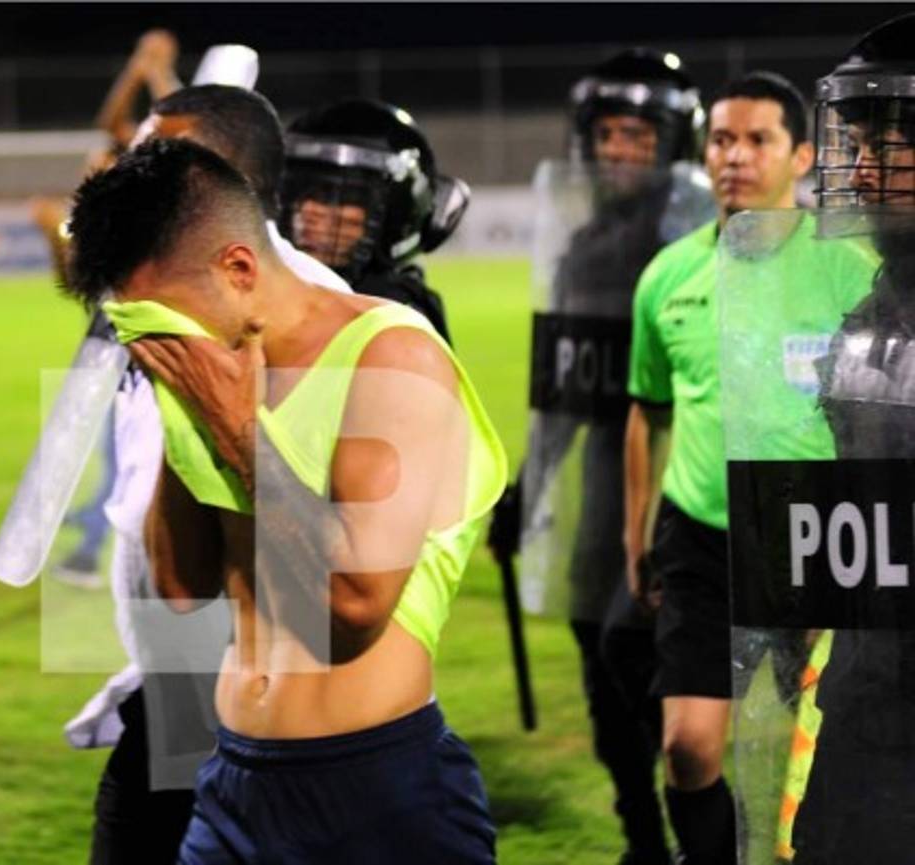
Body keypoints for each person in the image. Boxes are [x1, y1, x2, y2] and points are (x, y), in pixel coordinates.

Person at [68, 136, 505, 864]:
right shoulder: (212, 377)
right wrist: (191, 418)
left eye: (161, 320)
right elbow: (180, 589)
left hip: (378, 791)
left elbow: (355, 606)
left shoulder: (393, 356)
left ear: (237, 268)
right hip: (234, 781)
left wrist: (240, 429)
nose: (156, 345)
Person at [60, 85, 352, 865]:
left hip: (264, 692)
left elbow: (350, 575)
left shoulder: (332, 324)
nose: (138, 169)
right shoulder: (154, 297)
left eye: (163, 155)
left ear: (234, 185)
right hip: (172, 668)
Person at [623, 71, 881, 864]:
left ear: (802, 154)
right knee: (690, 749)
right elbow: (648, 408)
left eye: (757, 139)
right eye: (721, 139)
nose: (734, 156)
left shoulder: (848, 265)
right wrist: (635, 534)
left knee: (825, 748)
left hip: (816, 531)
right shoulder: (667, 275)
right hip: (700, 534)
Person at [499, 48, 708, 865]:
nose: (620, 149)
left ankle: (697, 821)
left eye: (639, 134)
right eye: (609, 134)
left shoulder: (699, 240)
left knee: (653, 663)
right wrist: (530, 485)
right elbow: (563, 394)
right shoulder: (582, 245)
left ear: (672, 142)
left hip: (684, 482)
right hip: (601, 488)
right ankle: (642, 840)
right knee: (601, 668)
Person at [784, 13, 915, 862]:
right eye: (857, 144)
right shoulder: (868, 318)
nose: (861, 171)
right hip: (868, 708)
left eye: (888, 144)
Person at [30, 31, 183, 588]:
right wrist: (136, 69)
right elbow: (74, 281)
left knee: (126, 452)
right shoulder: (111, 210)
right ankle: (100, 542)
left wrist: (154, 72)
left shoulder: (166, 183)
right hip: (114, 340)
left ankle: (97, 548)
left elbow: (182, 122)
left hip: (150, 341)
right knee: (116, 448)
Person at [277, 98, 469, 340]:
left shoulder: (395, 320)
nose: (307, 210)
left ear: (396, 214)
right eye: (301, 193)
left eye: (337, 196)